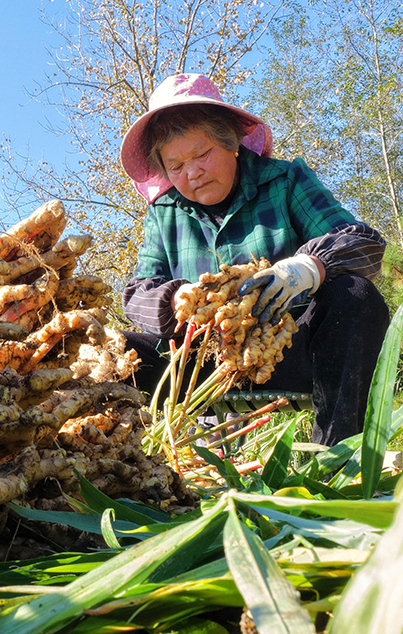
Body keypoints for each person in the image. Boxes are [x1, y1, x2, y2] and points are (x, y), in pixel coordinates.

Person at [119, 73, 389, 446]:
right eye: (176, 166)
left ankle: (337, 457)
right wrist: (176, 300)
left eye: (202, 154)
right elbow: (135, 293)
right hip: (200, 362)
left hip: (284, 351)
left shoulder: (284, 180)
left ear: (231, 143)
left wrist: (306, 268)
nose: (192, 173)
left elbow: (361, 242)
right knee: (114, 353)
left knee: (355, 296)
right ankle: (133, 472)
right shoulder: (165, 212)